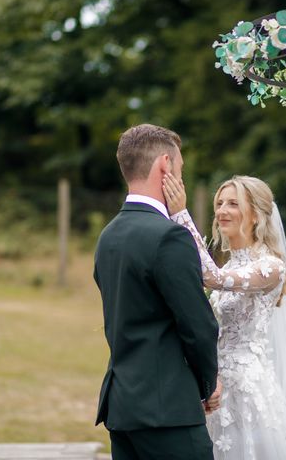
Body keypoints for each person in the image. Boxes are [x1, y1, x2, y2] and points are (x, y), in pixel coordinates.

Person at [93, 124, 221, 460]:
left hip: (122, 408)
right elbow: (197, 325)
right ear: (165, 165)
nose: (182, 177)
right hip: (168, 411)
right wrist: (208, 383)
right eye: (180, 169)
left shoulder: (108, 236)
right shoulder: (168, 237)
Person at [163, 174, 286, 460]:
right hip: (216, 388)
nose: (221, 211)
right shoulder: (231, 263)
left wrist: (181, 215)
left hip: (247, 392)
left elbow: (212, 278)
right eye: (219, 203)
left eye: (233, 203)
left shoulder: (271, 267)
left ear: (255, 214)